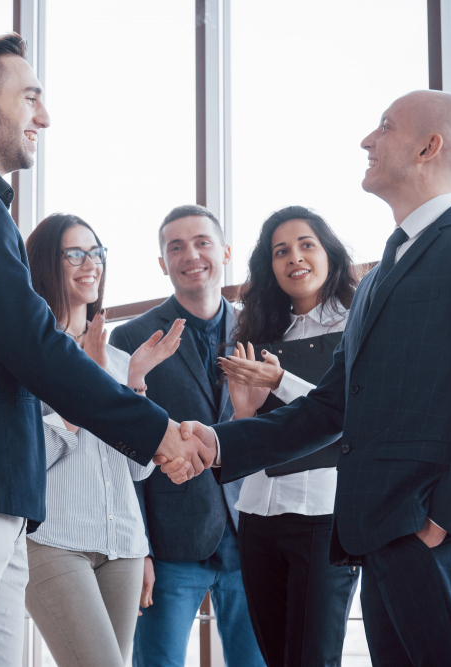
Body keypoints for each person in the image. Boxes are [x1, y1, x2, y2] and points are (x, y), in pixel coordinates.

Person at [170, 90, 451, 666]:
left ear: (429, 146)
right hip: (376, 541)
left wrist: (446, 518)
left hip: (434, 536)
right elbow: (330, 408)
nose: (367, 140)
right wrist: (221, 441)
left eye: (384, 127)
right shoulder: (376, 280)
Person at [0, 34, 212, 667]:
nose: (44, 116)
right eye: (30, 97)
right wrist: (157, 430)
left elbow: (22, 358)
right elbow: (35, 347)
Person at [22, 213, 185, 667]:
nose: (89, 263)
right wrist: (89, 390)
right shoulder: (28, 354)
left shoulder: (116, 358)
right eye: (74, 253)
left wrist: (132, 384)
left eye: (96, 253)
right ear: (45, 263)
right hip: (54, 540)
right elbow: (26, 457)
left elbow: (137, 469)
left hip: (124, 547)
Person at [111, 205, 264, 667]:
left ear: (225, 252)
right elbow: (121, 454)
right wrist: (139, 551)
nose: (190, 254)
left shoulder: (260, 330)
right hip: (171, 544)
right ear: (162, 263)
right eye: (175, 247)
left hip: (252, 538)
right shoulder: (132, 338)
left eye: (201, 242)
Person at [217, 206, 360, 666]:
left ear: (330, 255)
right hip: (258, 513)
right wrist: (243, 412)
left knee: (312, 658)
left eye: (306, 245)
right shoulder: (260, 333)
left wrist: (281, 382)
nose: (294, 258)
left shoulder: (358, 325)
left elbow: (351, 417)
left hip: (324, 515)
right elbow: (249, 436)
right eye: (281, 251)